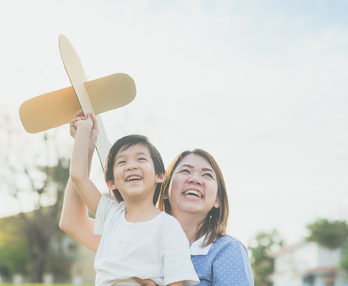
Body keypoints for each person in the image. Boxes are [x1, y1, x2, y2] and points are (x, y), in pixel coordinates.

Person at [60, 111, 254, 286]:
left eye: (207, 175)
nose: (195, 179)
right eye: (185, 171)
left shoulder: (227, 250)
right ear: (166, 187)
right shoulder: (123, 227)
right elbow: (72, 220)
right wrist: (86, 145)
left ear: (218, 200)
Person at [65, 111, 199, 286]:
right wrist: (83, 136)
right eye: (122, 162)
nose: (131, 166)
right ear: (111, 182)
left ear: (159, 175)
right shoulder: (110, 214)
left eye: (141, 159)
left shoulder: (168, 227)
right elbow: (78, 177)